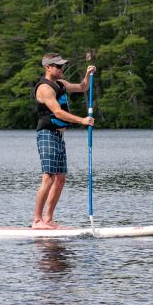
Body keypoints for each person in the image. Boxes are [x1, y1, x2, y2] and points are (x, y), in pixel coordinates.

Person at [33, 53, 95, 229]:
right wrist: (82, 120)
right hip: (47, 133)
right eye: (58, 66)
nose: (62, 69)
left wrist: (88, 74)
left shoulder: (60, 84)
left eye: (62, 66)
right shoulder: (44, 88)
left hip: (58, 136)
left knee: (60, 178)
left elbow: (83, 87)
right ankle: (37, 220)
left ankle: (48, 219)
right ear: (48, 67)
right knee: (49, 177)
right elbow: (58, 113)